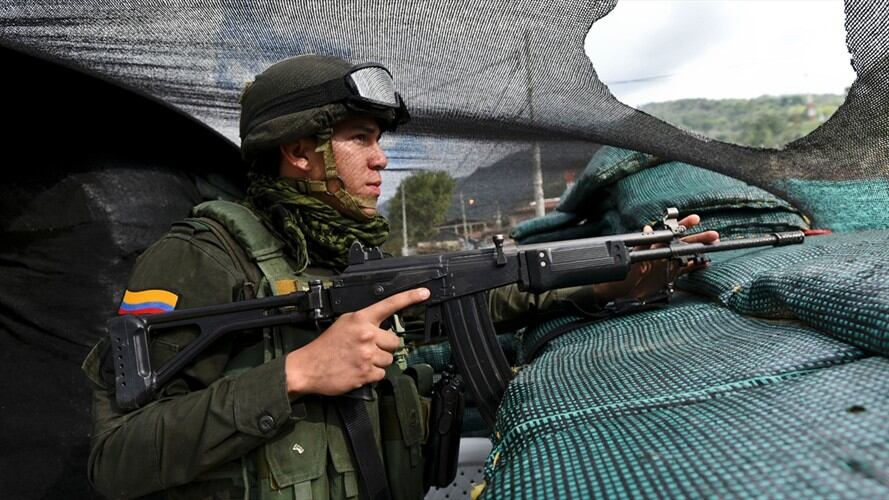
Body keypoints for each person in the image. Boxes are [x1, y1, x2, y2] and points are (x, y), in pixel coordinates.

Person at [82, 54, 718, 500]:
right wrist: (297, 374)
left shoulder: (345, 255)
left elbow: (482, 299)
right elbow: (117, 461)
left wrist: (611, 280)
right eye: (360, 138)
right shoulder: (200, 258)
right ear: (299, 152)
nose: (383, 158)